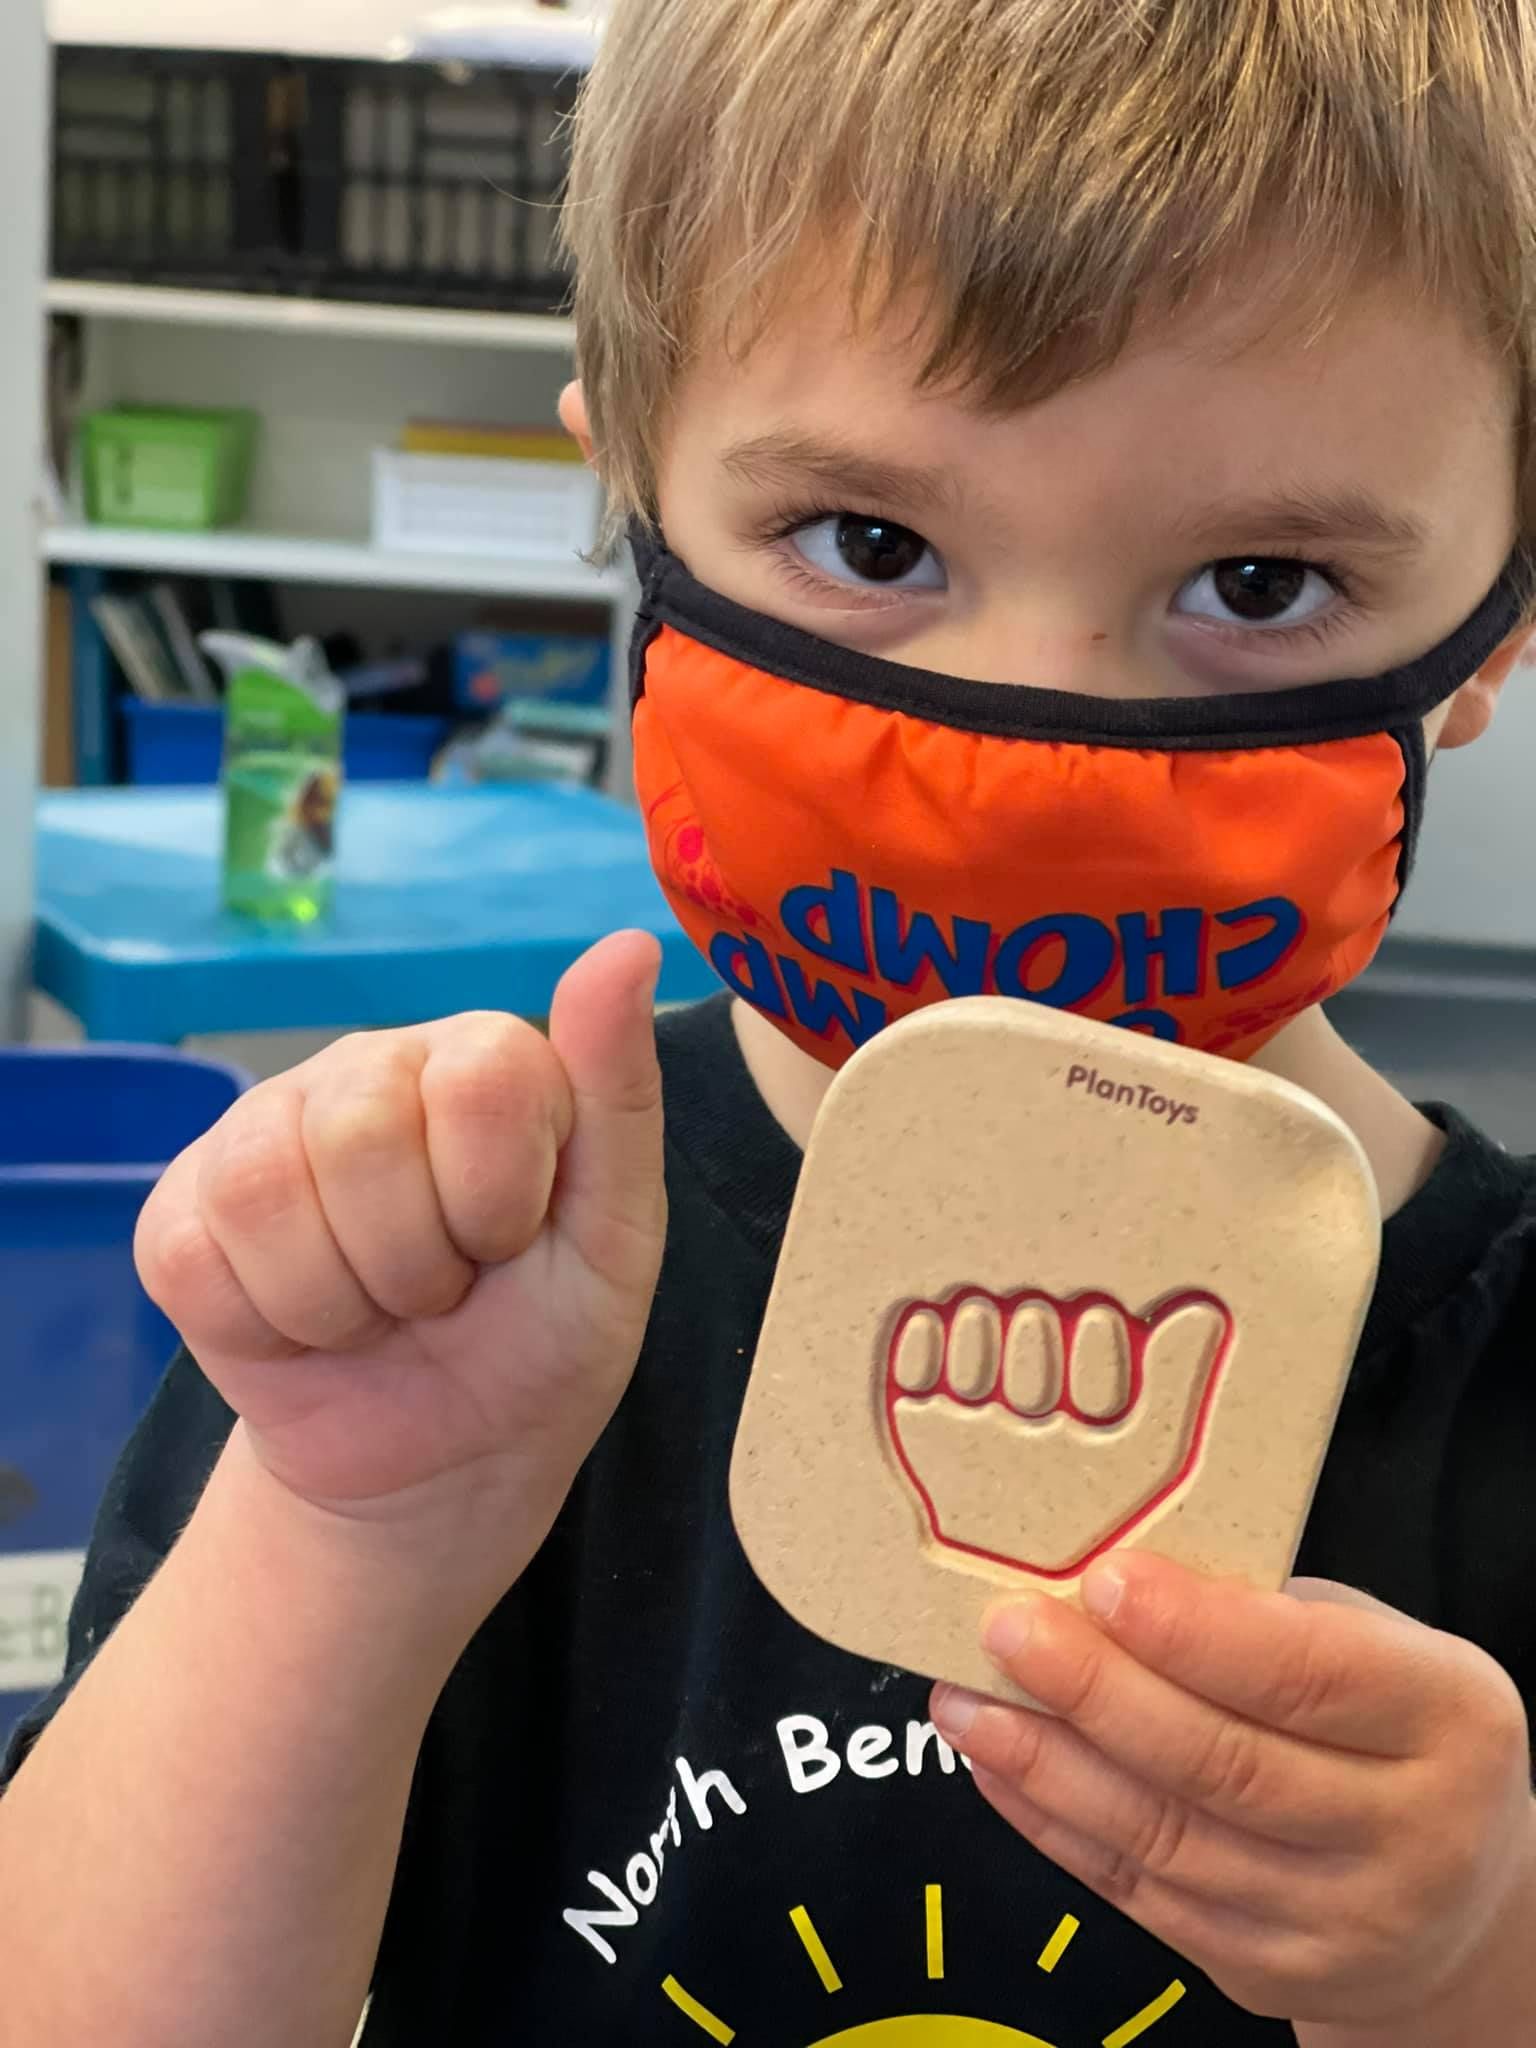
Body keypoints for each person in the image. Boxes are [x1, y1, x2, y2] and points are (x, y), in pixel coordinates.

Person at [4, 2, 1536, 2041]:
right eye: (873, 544)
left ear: (1494, 628)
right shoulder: (446, 1285)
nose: (1038, 754)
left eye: (1258, 583)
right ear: (628, 497)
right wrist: (346, 1531)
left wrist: (1472, 1958)